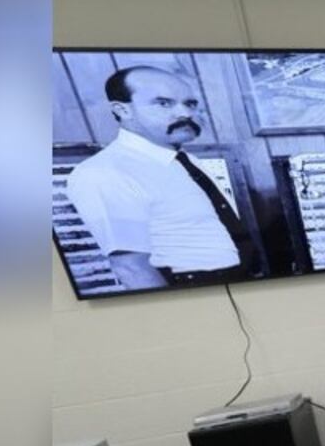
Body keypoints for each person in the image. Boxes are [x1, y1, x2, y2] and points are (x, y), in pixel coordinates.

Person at [66, 65, 257, 292]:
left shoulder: (186, 161)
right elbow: (130, 267)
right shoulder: (105, 172)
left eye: (190, 104)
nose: (185, 114)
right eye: (163, 103)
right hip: (189, 293)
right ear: (122, 110)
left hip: (239, 286)